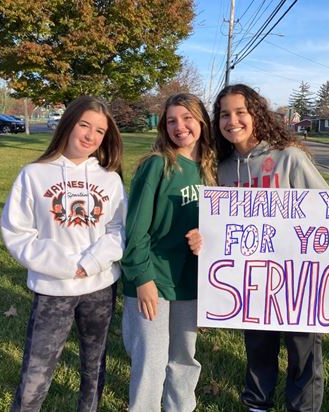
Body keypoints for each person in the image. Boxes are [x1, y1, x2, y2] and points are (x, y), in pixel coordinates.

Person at [186, 83, 329, 411]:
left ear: (255, 114)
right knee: (258, 348)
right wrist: (206, 239)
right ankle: (257, 404)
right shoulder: (222, 169)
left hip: (299, 281)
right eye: (225, 115)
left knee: (303, 353)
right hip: (252, 281)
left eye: (240, 112)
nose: (233, 121)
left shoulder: (289, 158)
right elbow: (220, 227)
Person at [1, 96, 126, 412]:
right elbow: (18, 232)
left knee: (94, 366)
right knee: (35, 372)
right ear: (68, 123)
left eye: (99, 131)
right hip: (53, 289)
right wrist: (68, 266)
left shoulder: (109, 179)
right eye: (84, 125)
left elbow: (119, 229)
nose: (90, 135)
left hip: (99, 288)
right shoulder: (33, 174)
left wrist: (92, 264)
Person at [120, 93, 217, 411]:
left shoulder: (210, 170)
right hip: (153, 280)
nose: (180, 126)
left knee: (184, 359)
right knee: (151, 360)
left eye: (187, 118)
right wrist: (142, 279)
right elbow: (135, 231)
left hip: (189, 282)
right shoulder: (157, 165)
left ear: (201, 120)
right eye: (172, 120)